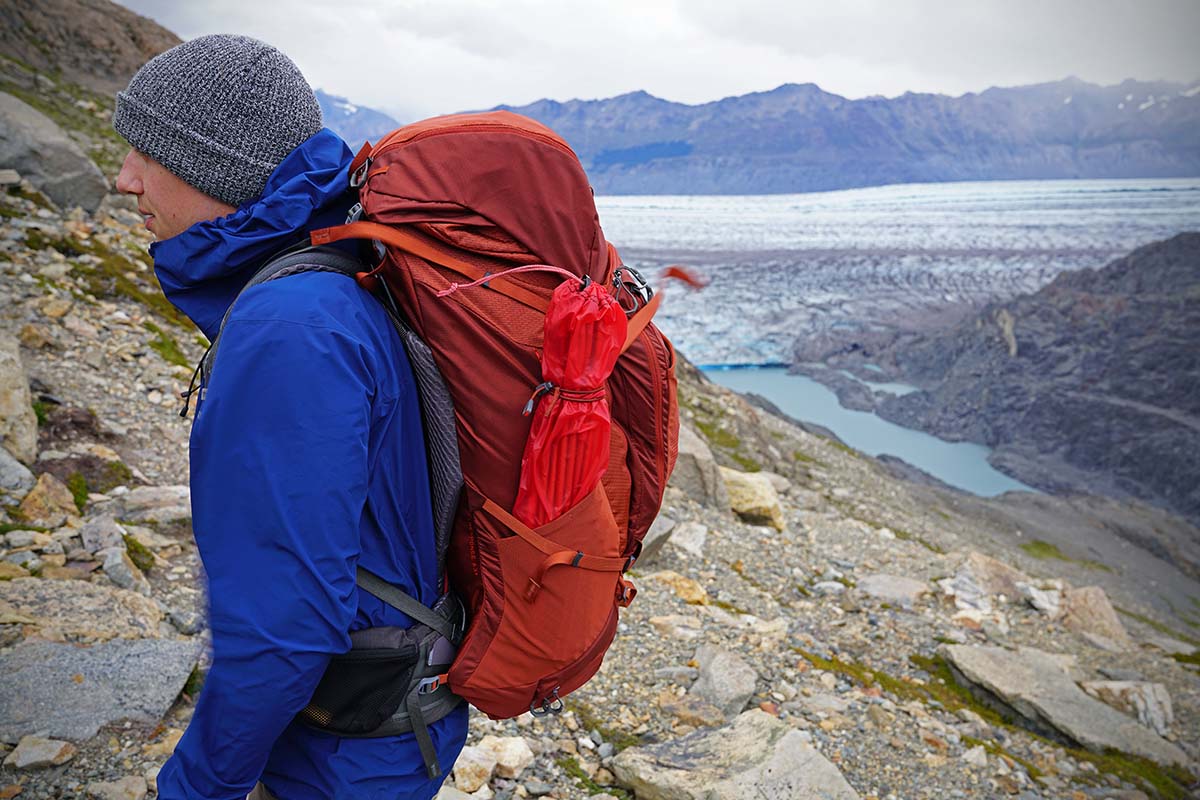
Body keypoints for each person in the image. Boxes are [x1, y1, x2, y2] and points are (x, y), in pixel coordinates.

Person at [112, 34, 468, 800]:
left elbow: (285, 629)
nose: (124, 179)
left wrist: (194, 788)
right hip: (380, 721)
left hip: (343, 756)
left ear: (219, 168)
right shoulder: (326, 277)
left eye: (147, 152)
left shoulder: (290, 325)